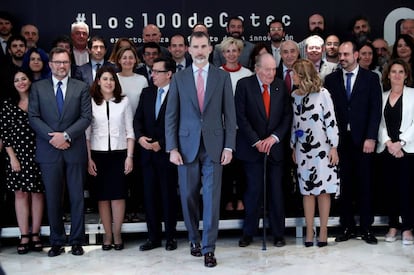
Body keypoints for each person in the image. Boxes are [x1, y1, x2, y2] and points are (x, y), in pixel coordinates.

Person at [165, 31, 237, 268]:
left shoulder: (222, 77)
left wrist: (229, 146)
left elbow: (230, 114)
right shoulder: (179, 78)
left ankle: (209, 248)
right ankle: (194, 239)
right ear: (189, 49)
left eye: (203, 46)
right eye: (195, 46)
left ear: (209, 48)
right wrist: (172, 147)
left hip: (215, 147)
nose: (199, 50)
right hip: (185, 147)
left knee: (212, 199)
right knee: (187, 197)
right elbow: (171, 116)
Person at [28, 47, 92, 257]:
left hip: (74, 149)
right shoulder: (38, 88)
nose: (61, 66)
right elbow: (34, 117)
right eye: (57, 62)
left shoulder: (81, 87)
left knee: (76, 197)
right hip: (49, 150)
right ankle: (56, 241)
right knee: (53, 198)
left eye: (65, 62)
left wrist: (65, 136)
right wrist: (53, 138)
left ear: (69, 64)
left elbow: (85, 118)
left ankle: (76, 241)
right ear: (51, 64)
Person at [324, 41, 382, 245]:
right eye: (340, 54)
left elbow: (376, 110)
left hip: (363, 140)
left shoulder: (371, 79)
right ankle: (346, 227)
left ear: (356, 55)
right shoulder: (330, 79)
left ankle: (366, 228)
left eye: (346, 54)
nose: (342, 58)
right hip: (340, 142)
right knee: (345, 185)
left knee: (365, 184)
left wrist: (371, 137)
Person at [235, 53, 292, 248]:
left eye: (274, 69)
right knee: (253, 192)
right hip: (252, 150)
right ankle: (248, 233)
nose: (271, 73)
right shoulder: (244, 85)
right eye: (267, 69)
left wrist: (273, 138)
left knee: (276, 192)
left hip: (274, 149)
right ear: (257, 69)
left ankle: (278, 234)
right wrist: (256, 141)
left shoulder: (279, 85)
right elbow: (240, 117)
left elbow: (287, 117)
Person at [290, 59, 340, 247]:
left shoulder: (323, 94)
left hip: (323, 148)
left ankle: (324, 230)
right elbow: (295, 124)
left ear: (303, 75)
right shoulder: (294, 96)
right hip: (303, 150)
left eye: (294, 73)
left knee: (323, 191)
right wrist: (293, 146)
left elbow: (331, 120)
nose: (292, 76)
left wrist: (334, 146)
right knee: (307, 192)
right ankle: (309, 230)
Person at [86, 66, 135, 251]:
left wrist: (129, 157)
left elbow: (130, 132)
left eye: (112, 79)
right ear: (98, 81)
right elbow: (87, 135)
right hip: (97, 155)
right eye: (105, 79)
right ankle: (107, 234)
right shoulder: (91, 102)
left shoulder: (123, 101)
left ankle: (117, 233)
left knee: (118, 196)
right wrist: (88, 159)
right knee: (103, 197)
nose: (109, 82)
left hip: (119, 153)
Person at [134, 57, 178, 251]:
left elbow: (181, 124)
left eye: (157, 72)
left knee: (168, 196)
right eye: (152, 71)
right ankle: (153, 237)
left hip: (167, 154)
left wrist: (163, 143)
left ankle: (170, 237)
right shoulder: (147, 93)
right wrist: (140, 138)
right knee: (149, 197)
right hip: (147, 154)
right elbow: (138, 120)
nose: (152, 75)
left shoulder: (178, 94)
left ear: (169, 74)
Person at [0, 69, 44, 254]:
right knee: (20, 194)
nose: (21, 82)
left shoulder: (38, 102)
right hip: (16, 158)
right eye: (17, 80)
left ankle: (35, 234)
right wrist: (12, 158)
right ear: (13, 83)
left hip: (39, 154)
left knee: (37, 194)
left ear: (29, 80)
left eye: (23, 78)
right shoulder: (8, 105)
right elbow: (4, 133)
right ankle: (24, 235)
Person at [377, 59, 414, 245]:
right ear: (388, 75)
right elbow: (379, 123)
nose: (397, 75)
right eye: (394, 72)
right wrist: (389, 143)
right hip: (387, 149)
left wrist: (401, 143)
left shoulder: (413, 95)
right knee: (389, 188)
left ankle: (407, 228)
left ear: (406, 75)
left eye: (401, 71)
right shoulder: (382, 96)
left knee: (407, 189)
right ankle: (393, 225)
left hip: (407, 150)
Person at [219, 37, 252, 214]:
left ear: (240, 52)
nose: (231, 54)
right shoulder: (216, 72)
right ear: (223, 53)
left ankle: (240, 200)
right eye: (228, 51)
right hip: (222, 130)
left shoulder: (247, 74)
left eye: (234, 50)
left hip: (242, 130)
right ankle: (226, 203)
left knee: (241, 169)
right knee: (225, 170)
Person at [115, 46, 148, 223]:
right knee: (122, 173)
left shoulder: (142, 79)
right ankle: (124, 210)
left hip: (138, 131)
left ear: (136, 60)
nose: (127, 61)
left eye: (131, 58)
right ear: (119, 60)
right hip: (119, 133)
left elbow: (145, 106)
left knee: (137, 173)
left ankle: (136, 208)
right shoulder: (114, 79)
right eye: (124, 58)